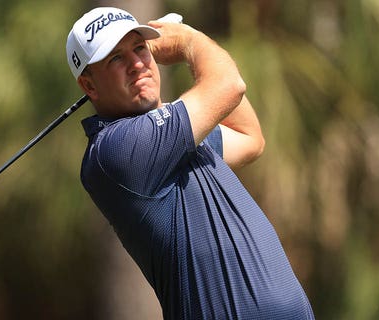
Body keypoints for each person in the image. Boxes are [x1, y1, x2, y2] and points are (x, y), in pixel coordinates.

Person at [66, 7, 314, 319]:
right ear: (89, 87)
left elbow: (250, 138)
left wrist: (191, 54)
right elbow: (229, 86)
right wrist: (188, 43)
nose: (136, 64)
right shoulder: (116, 149)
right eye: (116, 58)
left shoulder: (169, 137)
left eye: (140, 48)